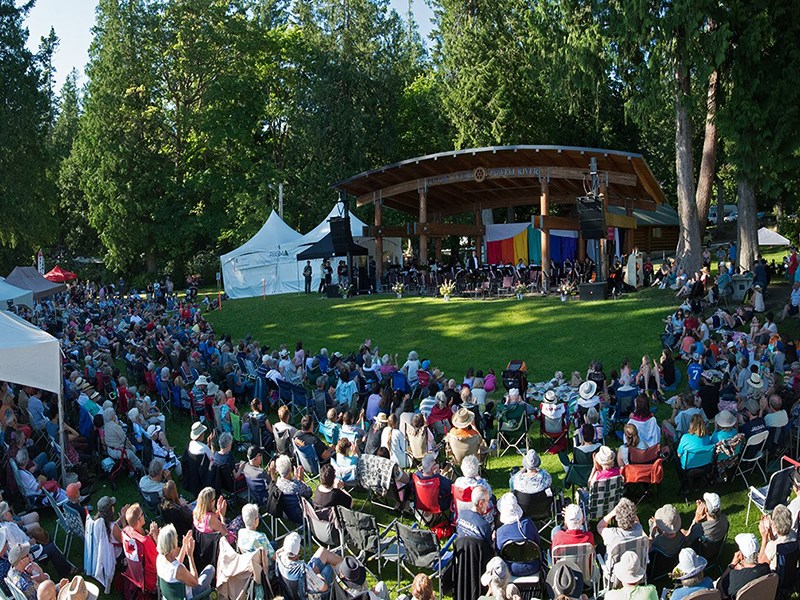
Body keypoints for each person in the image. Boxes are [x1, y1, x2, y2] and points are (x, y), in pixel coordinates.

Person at [276, 531, 342, 599]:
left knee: (323, 551)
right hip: (311, 596)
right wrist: (317, 573)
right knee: (329, 566)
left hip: (292, 592)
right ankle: (347, 574)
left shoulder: (279, 557)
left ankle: (346, 565)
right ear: (299, 550)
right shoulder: (304, 570)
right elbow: (324, 588)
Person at [156, 525, 214, 599]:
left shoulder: (159, 559)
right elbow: (195, 582)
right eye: (176, 537)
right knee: (210, 569)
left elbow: (176, 563)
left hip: (169, 597)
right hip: (190, 597)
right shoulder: (179, 569)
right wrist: (190, 556)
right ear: (173, 543)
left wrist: (184, 545)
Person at [495, 493, 541, 576]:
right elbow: (538, 542)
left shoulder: (500, 532)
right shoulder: (528, 523)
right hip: (533, 566)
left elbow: (499, 553)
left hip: (511, 568)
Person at [717, 533, 770, 599]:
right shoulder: (765, 569)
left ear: (741, 555)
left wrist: (731, 565)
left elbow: (719, 587)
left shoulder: (733, 576)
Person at [122, 504, 160, 593]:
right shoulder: (145, 542)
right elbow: (158, 561)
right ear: (139, 520)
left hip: (134, 572)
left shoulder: (126, 531)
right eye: (142, 514)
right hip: (149, 581)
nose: (144, 516)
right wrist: (156, 538)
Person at [103, 407, 144, 473]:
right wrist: (130, 447)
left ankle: (130, 467)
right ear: (112, 416)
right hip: (117, 451)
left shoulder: (106, 425)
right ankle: (139, 469)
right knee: (132, 451)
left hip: (110, 449)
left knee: (132, 450)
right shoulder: (116, 427)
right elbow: (125, 440)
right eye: (114, 414)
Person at [758, 504, 796, 569]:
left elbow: (760, 565)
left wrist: (764, 538)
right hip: (792, 571)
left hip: (776, 575)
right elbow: (779, 540)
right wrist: (770, 533)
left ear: (774, 525)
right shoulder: (794, 535)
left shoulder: (772, 546)